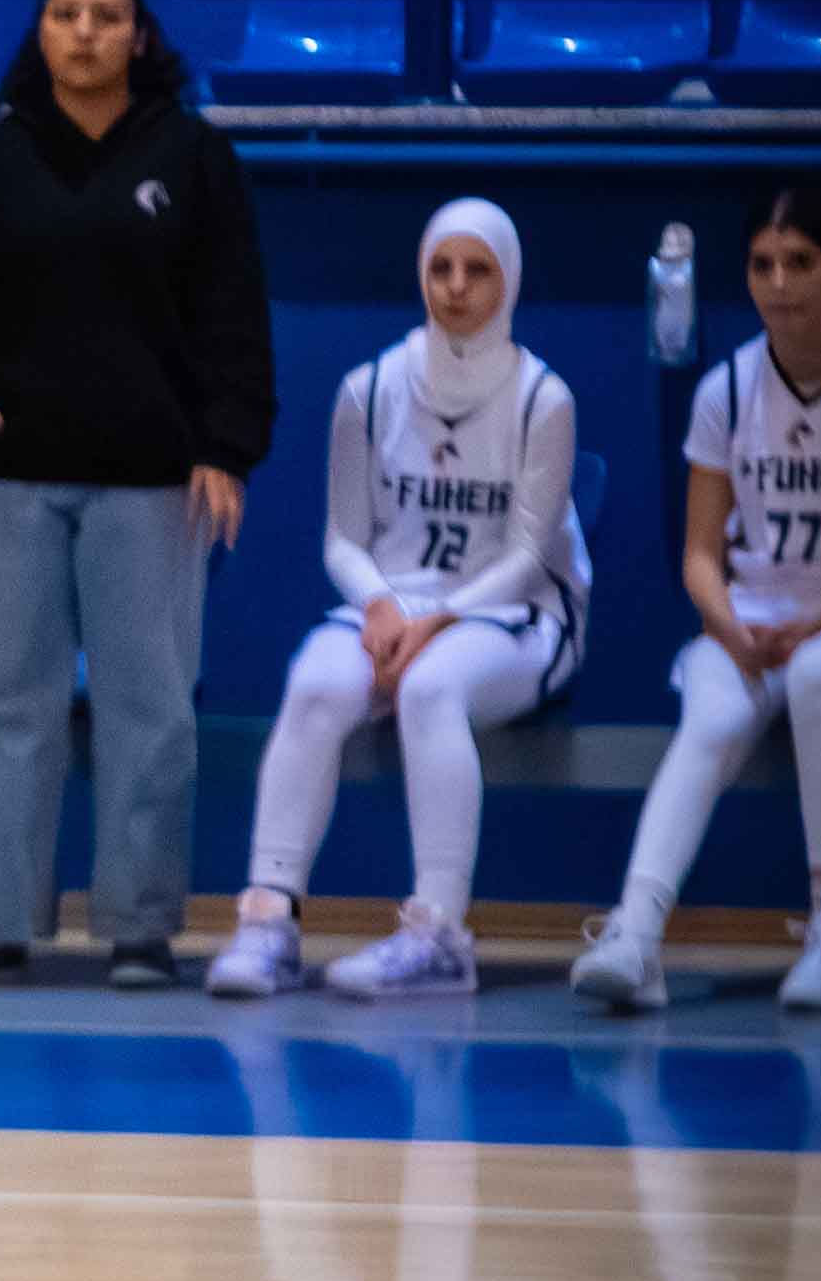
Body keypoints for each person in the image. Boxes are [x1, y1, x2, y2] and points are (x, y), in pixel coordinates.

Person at [0, 0, 275, 994]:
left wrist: (227, 447)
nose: (83, 33)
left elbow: (234, 315)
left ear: (139, 35)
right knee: (0, 702)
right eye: (64, 12)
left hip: (151, 478)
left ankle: (140, 926)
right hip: (10, 469)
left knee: (148, 707)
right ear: (40, 28)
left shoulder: (194, 158)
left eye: (105, 16)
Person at [210, 199, 589, 1003]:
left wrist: (436, 622)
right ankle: (269, 919)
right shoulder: (370, 386)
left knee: (430, 685)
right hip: (392, 604)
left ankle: (439, 934)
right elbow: (342, 541)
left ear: (508, 279)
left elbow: (528, 556)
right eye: (439, 268)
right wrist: (383, 605)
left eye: (476, 269)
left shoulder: (542, 397)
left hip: (518, 615)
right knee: (315, 682)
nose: (454, 286)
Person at [576, 182, 821, 1018]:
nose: (779, 282)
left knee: (818, 676)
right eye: (762, 264)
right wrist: (730, 627)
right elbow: (699, 554)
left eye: (799, 261)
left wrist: (816, 620)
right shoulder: (725, 389)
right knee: (711, 716)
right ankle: (635, 933)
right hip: (749, 621)